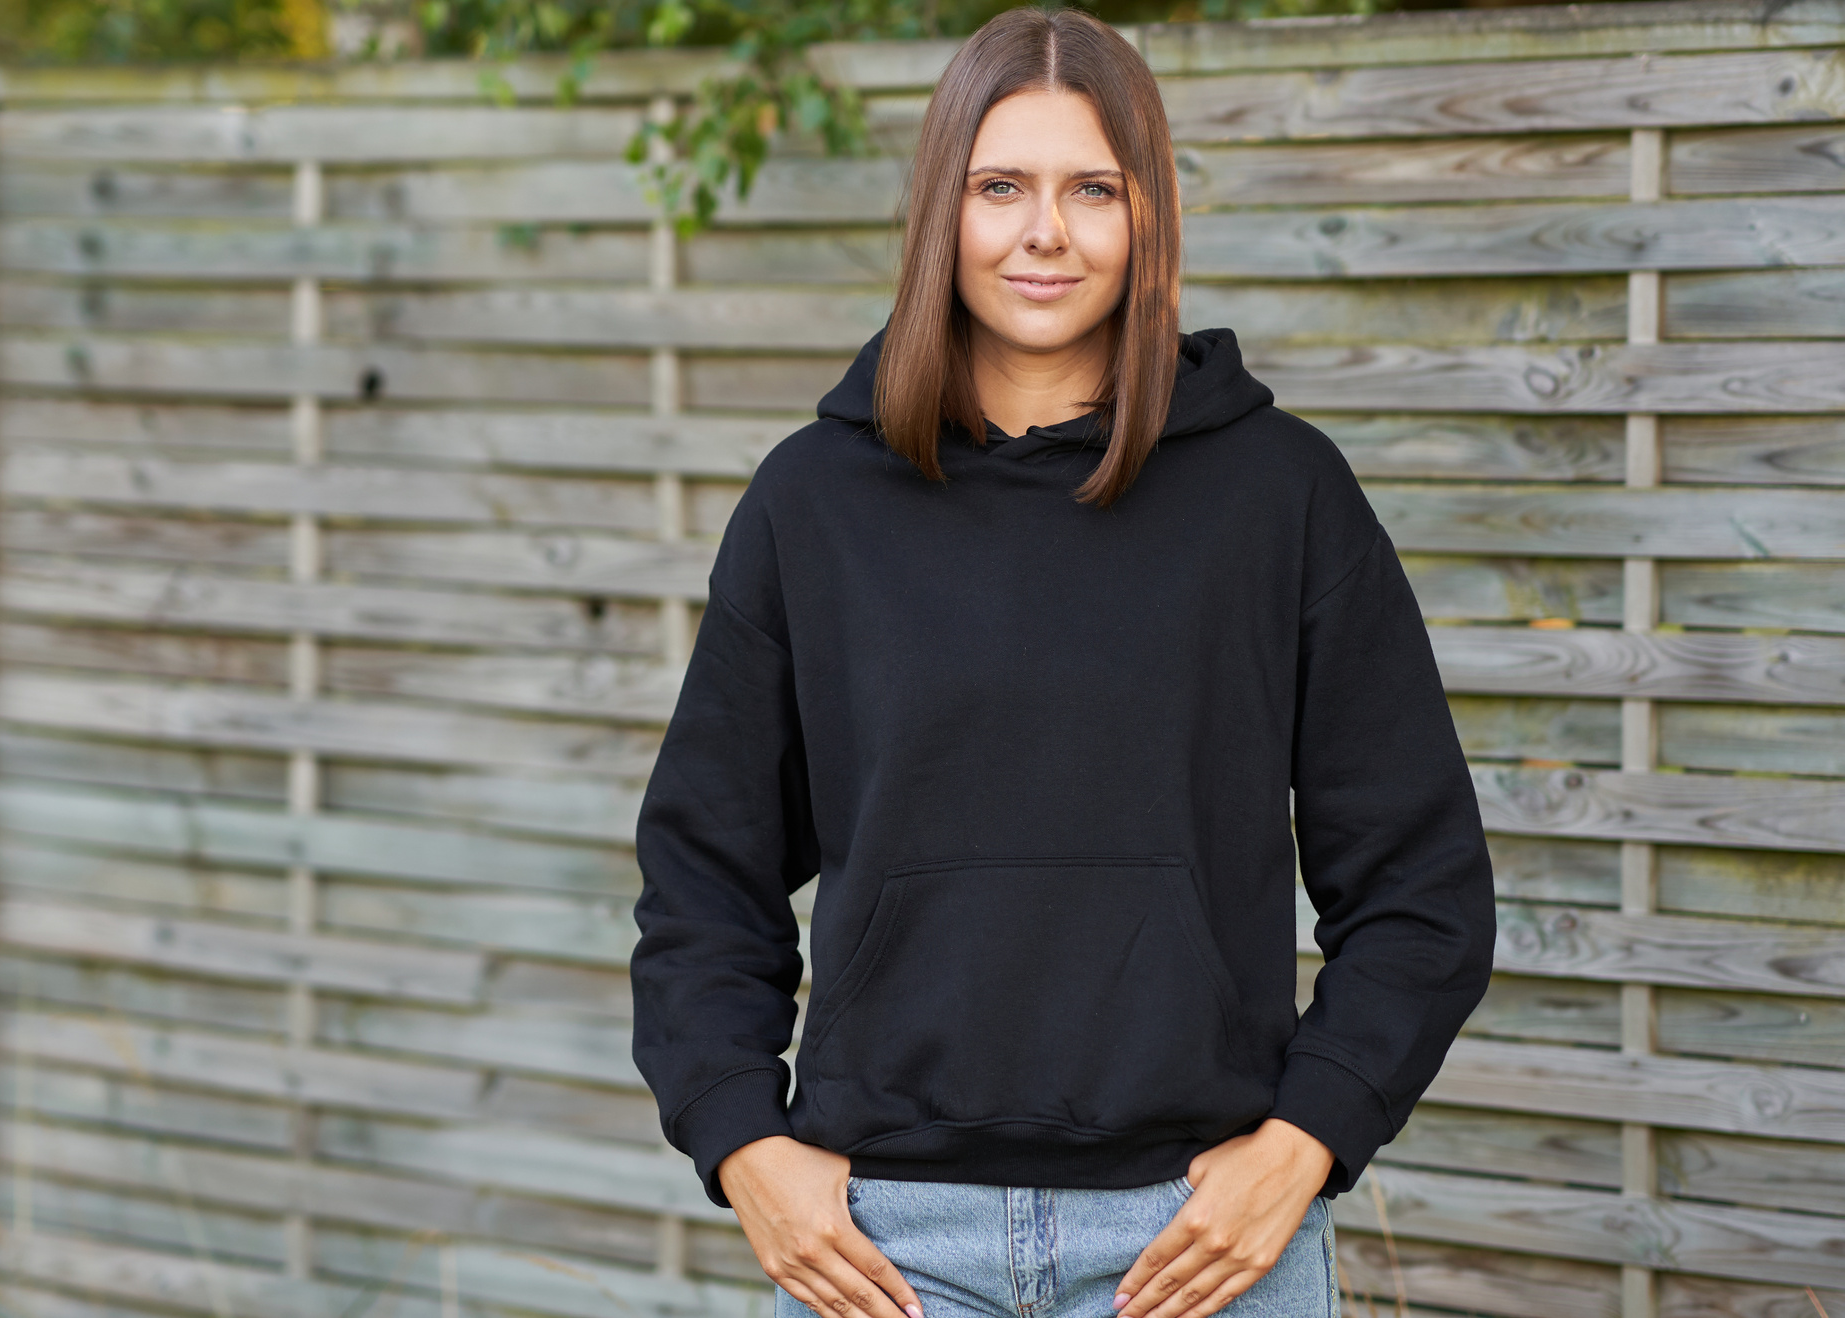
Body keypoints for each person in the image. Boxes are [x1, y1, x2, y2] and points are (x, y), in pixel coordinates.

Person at [629, 8, 1496, 1318]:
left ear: (1149, 217)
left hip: (1199, 1246)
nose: (1047, 232)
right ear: (942, 213)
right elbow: (703, 878)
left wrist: (1307, 1141)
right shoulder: (812, 506)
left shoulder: (1280, 498)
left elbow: (1424, 890)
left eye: (1094, 187)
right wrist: (745, 1143)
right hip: (887, 1250)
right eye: (1000, 187)